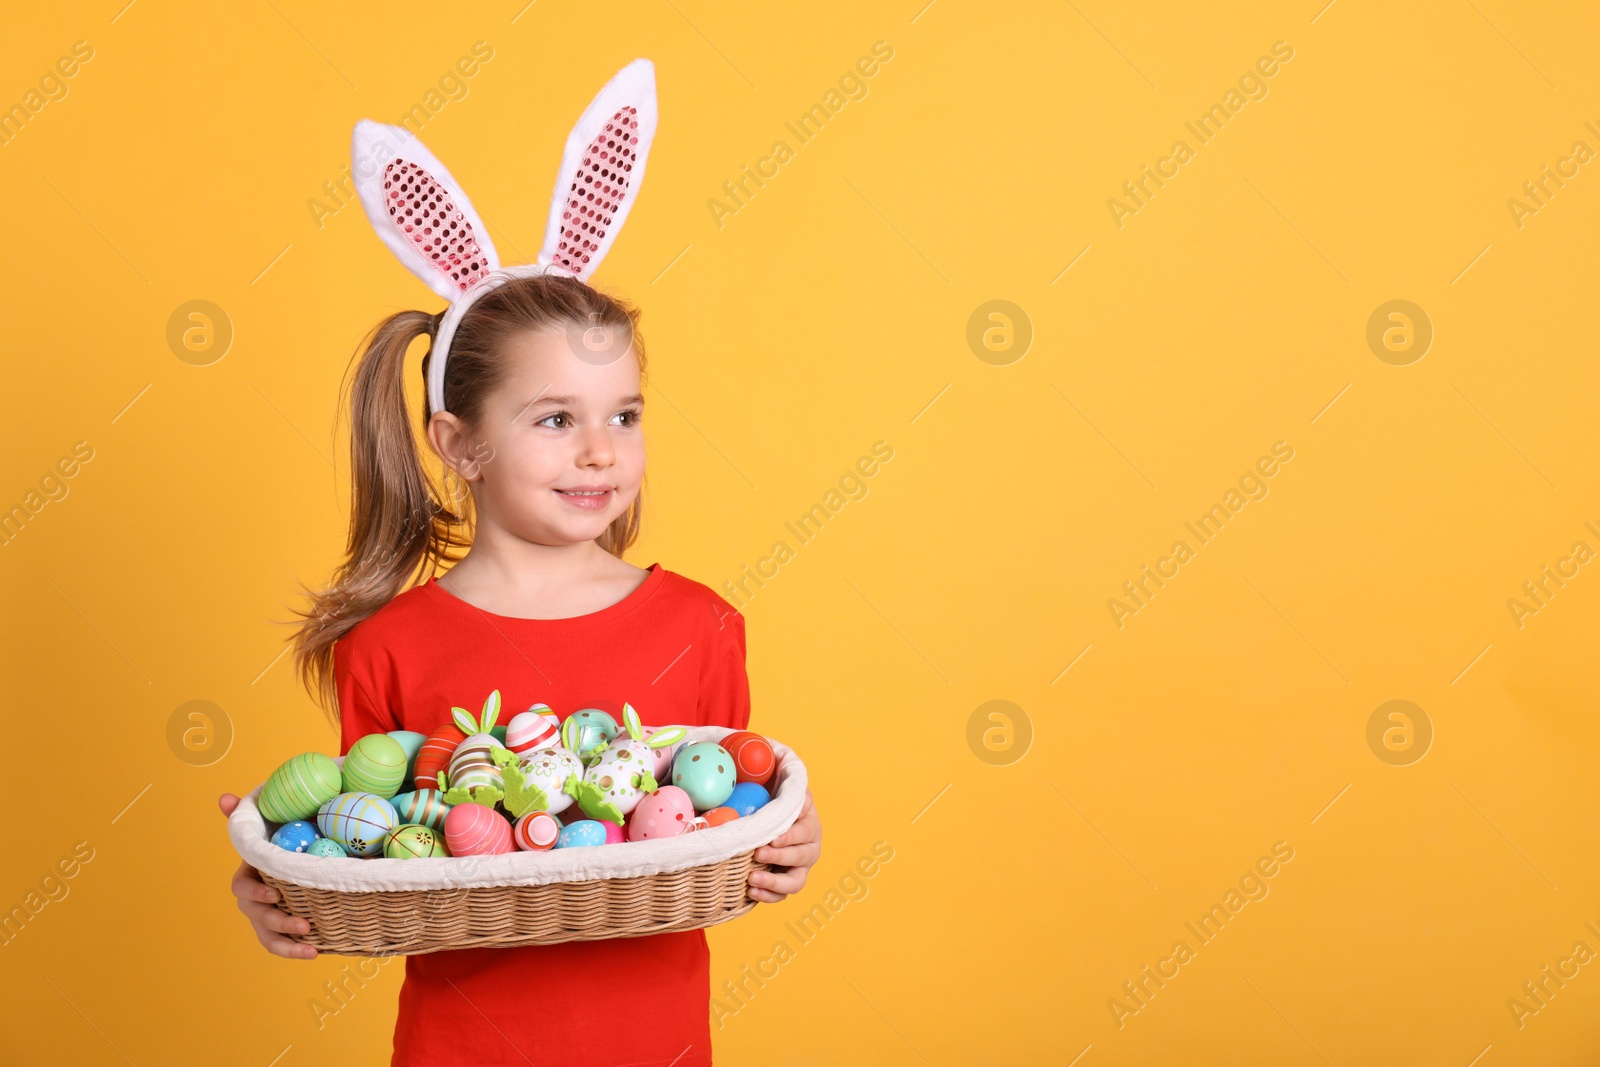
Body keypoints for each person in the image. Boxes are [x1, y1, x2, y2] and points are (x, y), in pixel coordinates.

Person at [218, 271, 821, 1064]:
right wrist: (278, 881)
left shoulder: (700, 626)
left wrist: (784, 837)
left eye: (624, 415)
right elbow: (369, 850)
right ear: (461, 444)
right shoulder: (387, 647)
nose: (601, 448)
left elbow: (723, 810)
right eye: (557, 417)